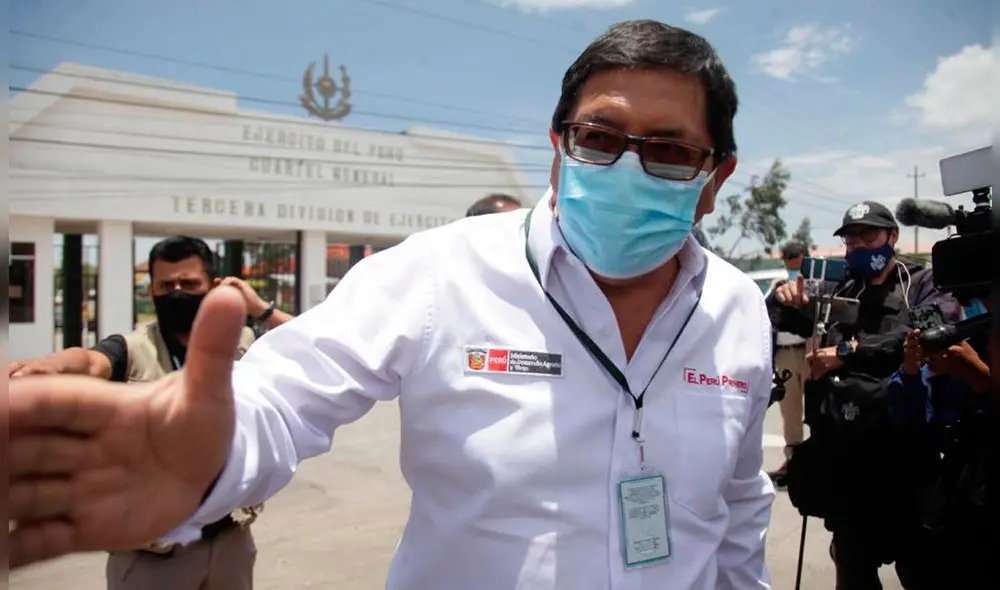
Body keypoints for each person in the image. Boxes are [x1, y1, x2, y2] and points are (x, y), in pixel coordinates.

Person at [8, 21, 776, 590]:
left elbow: (738, 508)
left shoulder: (739, 308)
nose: (625, 168)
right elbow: (284, 396)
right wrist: (203, 458)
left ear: (717, 177)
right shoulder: (441, 272)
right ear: (558, 145)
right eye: (600, 138)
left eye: (669, 151)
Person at [8, 235, 292, 590]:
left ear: (214, 286)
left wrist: (260, 309)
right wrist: (52, 366)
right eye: (165, 285)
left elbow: (310, 348)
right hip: (154, 557)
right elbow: (90, 362)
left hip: (229, 539)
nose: (176, 293)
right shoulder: (133, 347)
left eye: (189, 284)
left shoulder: (240, 340)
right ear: (151, 290)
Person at [770, 201, 961, 590]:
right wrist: (782, 295)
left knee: (923, 570)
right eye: (851, 238)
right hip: (849, 461)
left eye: (868, 235)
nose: (858, 245)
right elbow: (779, 315)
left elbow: (931, 329)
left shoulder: (921, 283)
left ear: (892, 237)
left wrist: (849, 352)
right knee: (853, 571)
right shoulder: (841, 288)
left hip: (908, 457)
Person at [884, 296, 992, 589]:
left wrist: (974, 372)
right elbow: (908, 420)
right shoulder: (931, 373)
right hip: (933, 503)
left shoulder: (977, 357)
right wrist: (910, 370)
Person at [766, 242, 809, 486]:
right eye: (788, 259)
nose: (791, 263)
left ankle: (821, 460)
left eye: (796, 258)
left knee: (818, 409)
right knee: (790, 412)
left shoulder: (815, 282)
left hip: (811, 351)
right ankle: (793, 462)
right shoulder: (777, 285)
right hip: (785, 354)